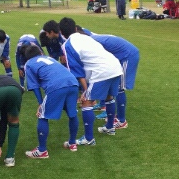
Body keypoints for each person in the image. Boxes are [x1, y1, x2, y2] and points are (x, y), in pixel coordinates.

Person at [59, 17, 122, 145]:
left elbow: (76, 71)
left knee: (86, 102)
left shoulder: (67, 45)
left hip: (101, 71)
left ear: (61, 33)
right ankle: (110, 127)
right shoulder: (86, 37)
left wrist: (85, 90)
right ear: (75, 28)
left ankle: (89, 139)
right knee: (109, 97)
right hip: (115, 66)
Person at [23, 45, 79, 158]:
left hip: (56, 86)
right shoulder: (49, 58)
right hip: (73, 83)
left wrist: (40, 103)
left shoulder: (29, 64)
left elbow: (34, 86)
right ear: (40, 52)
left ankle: (42, 151)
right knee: (72, 113)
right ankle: (72, 143)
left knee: (42, 115)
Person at [90, 33, 139, 130]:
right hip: (120, 56)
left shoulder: (92, 42)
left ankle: (121, 121)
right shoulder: (91, 38)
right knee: (112, 83)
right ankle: (109, 111)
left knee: (120, 88)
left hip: (127, 56)